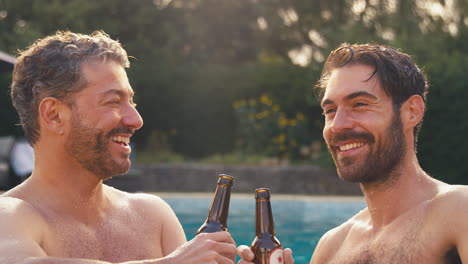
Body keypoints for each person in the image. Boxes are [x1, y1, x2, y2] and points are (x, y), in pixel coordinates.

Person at [0, 30, 237, 264]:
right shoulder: (9, 216)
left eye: (131, 102)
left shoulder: (153, 218)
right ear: (54, 115)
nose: (136, 120)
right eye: (113, 102)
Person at [238, 43, 468, 264]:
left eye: (359, 104)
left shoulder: (458, 210)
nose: (338, 125)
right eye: (330, 111)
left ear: (411, 111)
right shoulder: (331, 247)